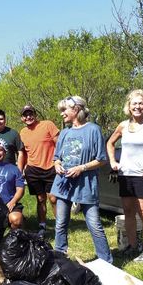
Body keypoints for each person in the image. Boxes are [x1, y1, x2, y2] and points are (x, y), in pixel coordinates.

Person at [51, 96, 113, 263]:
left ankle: (106, 261)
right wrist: (57, 164)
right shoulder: (64, 132)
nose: (62, 113)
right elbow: (56, 157)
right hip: (63, 185)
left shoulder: (93, 130)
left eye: (65, 110)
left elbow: (101, 159)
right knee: (60, 224)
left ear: (76, 110)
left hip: (85, 185)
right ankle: (59, 259)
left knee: (94, 225)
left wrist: (81, 168)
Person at [107, 89, 143, 263]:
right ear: (129, 107)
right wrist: (113, 162)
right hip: (125, 175)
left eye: (141, 103)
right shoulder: (123, 125)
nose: (137, 106)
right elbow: (110, 142)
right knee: (129, 212)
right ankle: (132, 246)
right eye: (134, 104)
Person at [19, 104, 60, 237]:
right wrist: (22, 169)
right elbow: (24, 153)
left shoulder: (48, 125)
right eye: (25, 115)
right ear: (22, 118)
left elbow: (59, 144)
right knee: (40, 198)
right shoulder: (23, 132)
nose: (28, 117)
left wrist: (59, 161)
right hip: (33, 170)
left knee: (53, 198)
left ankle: (60, 226)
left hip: (51, 168)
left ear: (35, 115)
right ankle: (42, 226)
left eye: (31, 114)